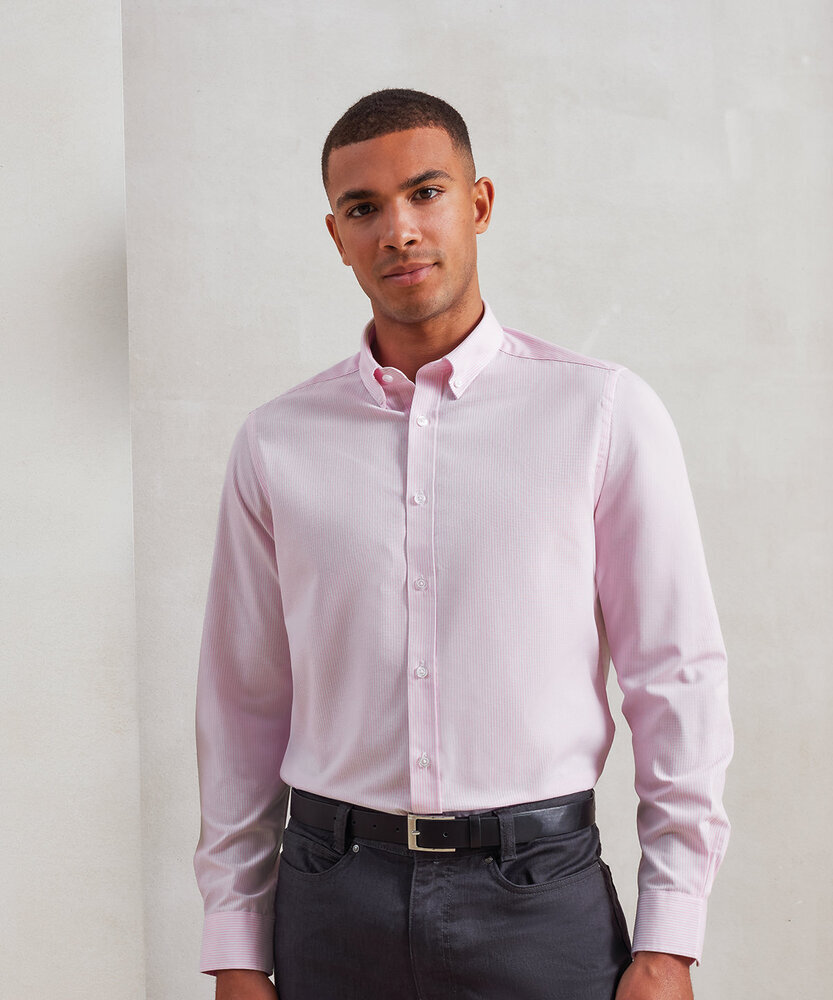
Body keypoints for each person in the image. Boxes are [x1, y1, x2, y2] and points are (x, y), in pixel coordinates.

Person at [194, 89, 733, 1000]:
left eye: (425, 193)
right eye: (363, 208)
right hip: (329, 896)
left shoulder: (601, 413)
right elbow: (241, 703)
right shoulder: (275, 441)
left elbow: (675, 675)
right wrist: (235, 947)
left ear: (477, 203)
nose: (397, 230)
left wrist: (669, 939)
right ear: (336, 237)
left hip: (538, 896)